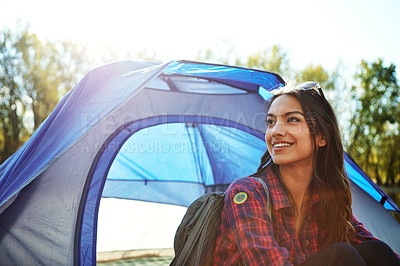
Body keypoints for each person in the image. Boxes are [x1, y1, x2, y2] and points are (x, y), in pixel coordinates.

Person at [212, 82, 400, 265]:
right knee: (341, 255)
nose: (275, 131)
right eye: (271, 122)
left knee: (375, 250)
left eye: (292, 119)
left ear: (322, 136)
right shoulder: (247, 193)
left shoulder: (326, 200)